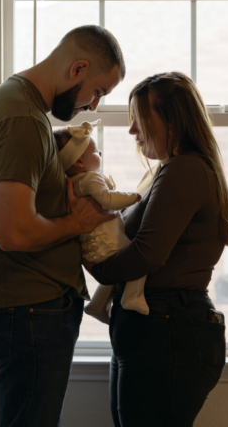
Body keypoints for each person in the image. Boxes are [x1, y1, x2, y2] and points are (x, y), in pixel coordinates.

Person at [0, 25, 125, 427]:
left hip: (27, 305)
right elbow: (13, 232)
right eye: (98, 91)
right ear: (77, 68)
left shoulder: (19, 108)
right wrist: (77, 221)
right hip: (30, 307)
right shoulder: (21, 118)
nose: (94, 105)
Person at [85, 71, 228, 427]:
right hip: (156, 329)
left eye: (140, 119)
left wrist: (93, 262)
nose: (132, 131)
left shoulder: (183, 169)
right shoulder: (169, 170)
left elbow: (147, 255)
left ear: (172, 119)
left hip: (168, 330)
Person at [54, 119, 148, 325]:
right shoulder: (91, 179)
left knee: (114, 269)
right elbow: (108, 199)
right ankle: (132, 297)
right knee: (138, 262)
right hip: (108, 241)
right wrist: (134, 197)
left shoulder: (72, 182)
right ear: (79, 162)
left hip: (93, 246)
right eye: (96, 152)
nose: (101, 154)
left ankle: (97, 304)